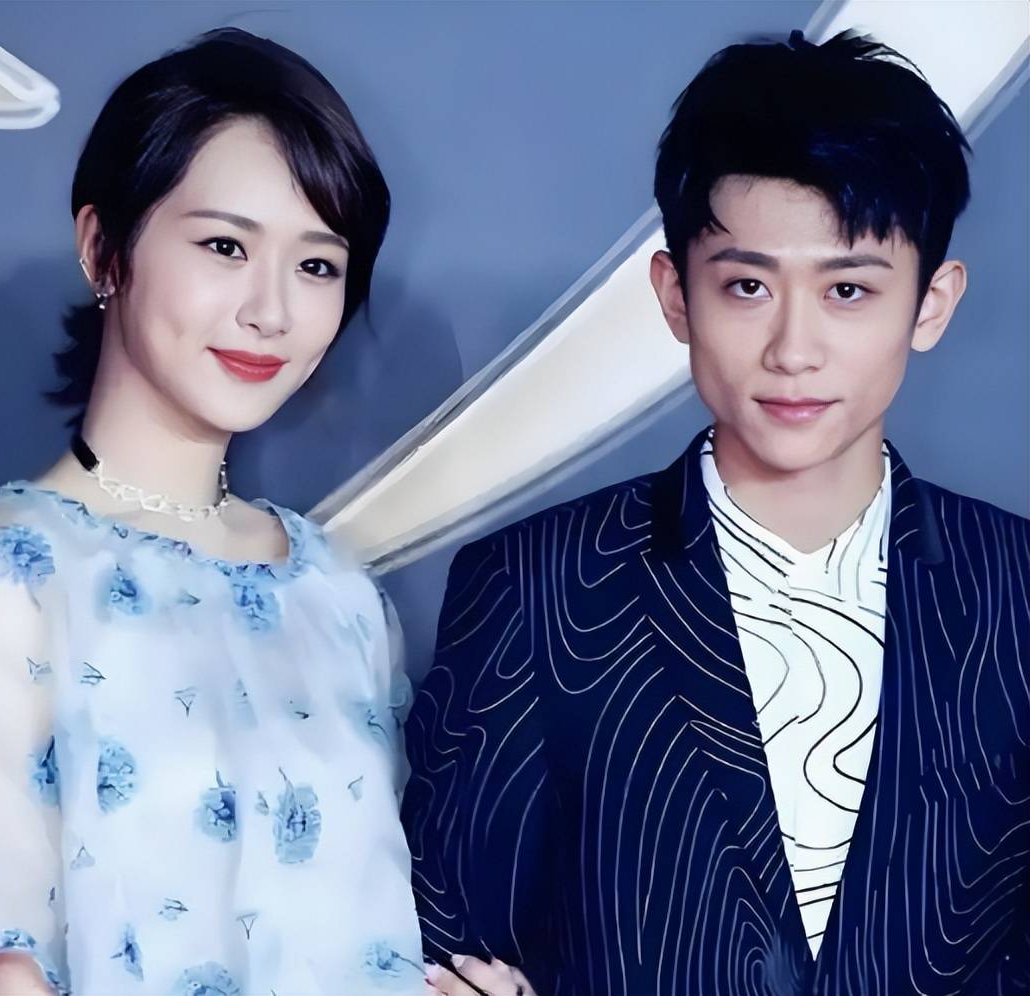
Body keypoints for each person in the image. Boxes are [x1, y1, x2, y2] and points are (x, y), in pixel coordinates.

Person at [405, 30, 1029, 996]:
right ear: (675, 296)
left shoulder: (1016, 589)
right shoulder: (535, 589)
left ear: (932, 303)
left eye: (849, 290)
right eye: (747, 286)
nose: (793, 348)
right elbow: (450, 949)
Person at [0, 28, 427, 996]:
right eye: (225, 246)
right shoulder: (10, 566)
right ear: (103, 248)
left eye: (316, 265)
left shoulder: (341, 596)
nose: (271, 310)